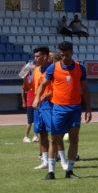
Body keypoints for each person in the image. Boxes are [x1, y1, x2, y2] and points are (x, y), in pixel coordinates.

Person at [32, 41, 92, 180]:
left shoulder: (80, 68)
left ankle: (69, 171)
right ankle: (51, 172)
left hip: (75, 109)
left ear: (72, 53)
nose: (64, 58)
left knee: (74, 139)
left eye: (67, 55)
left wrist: (88, 109)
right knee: (54, 139)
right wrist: (37, 98)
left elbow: (86, 90)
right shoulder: (53, 67)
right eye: (62, 55)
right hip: (58, 109)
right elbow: (43, 85)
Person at [23, 46, 68, 170]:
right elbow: (28, 88)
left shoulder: (54, 69)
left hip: (51, 105)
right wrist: (24, 77)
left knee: (55, 134)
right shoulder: (36, 70)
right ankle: (45, 161)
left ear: (44, 57)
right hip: (38, 106)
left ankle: (64, 160)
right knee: (42, 133)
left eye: (37, 56)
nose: (35, 58)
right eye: (35, 56)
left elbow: (61, 86)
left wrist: (51, 94)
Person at [22, 65, 39, 143]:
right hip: (29, 103)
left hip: (36, 102)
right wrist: (24, 102)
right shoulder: (28, 79)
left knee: (36, 120)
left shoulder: (37, 79)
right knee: (30, 121)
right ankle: (25, 136)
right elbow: (23, 90)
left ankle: (35, 136)